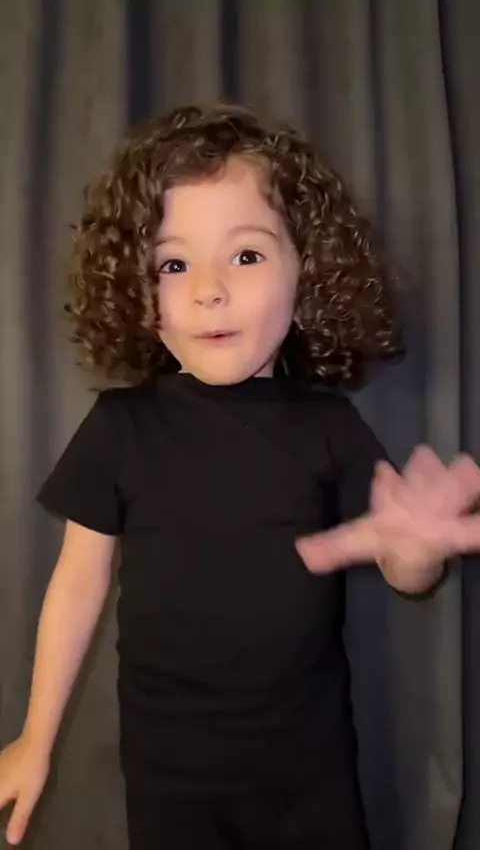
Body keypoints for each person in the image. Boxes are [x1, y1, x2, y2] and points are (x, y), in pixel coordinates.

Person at [1, 104, 480, 850]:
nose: (208, 290)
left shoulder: (328, 426)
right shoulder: (121, 427)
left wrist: (417, 548)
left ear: (307, 272)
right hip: (169, 777)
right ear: (137, 288)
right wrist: (35, 739)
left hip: (309, 773)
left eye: (246, 256)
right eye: (173, 264)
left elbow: (403, 571)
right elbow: (78, 583)